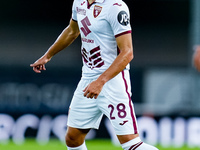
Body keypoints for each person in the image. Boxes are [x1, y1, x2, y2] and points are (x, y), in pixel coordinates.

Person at [30, 0, 159, 149]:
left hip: (113, 81)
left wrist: (101, 81)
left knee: (130, 143)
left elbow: (128, 52)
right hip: (88, 79)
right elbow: (72, 30)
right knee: (73, 138)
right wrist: (48, 55)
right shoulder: (79, 2)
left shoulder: (116, 7)